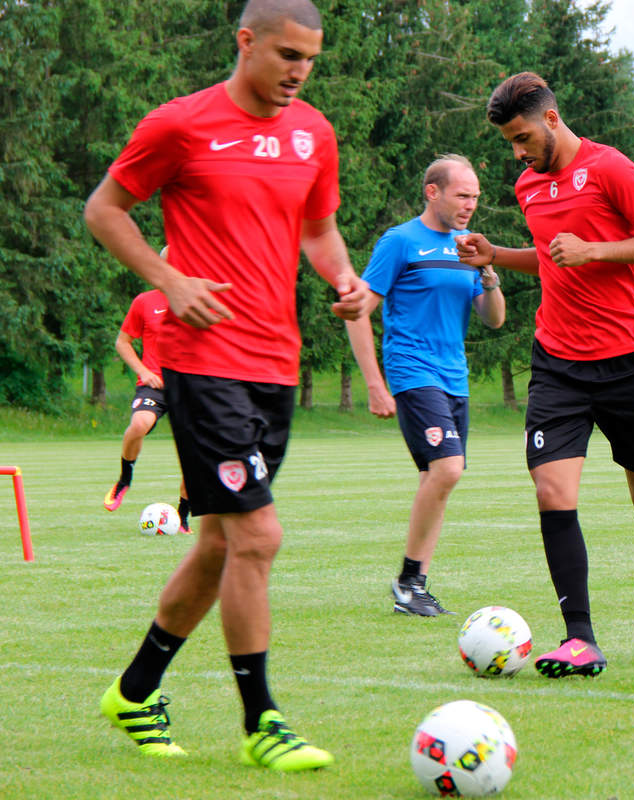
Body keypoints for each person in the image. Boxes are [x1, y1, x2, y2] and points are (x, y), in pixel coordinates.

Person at [83, 0, 368, 770]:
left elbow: (317, 229)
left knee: (215, 544)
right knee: (257, 535)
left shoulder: (315, 133)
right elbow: (105, 210)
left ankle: (135, 692)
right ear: (245, 42)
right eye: (285, 54)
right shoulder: (180, 124)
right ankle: (261, 721)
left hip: (276, 362)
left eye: (309, 58)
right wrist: (167, 279)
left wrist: (343, 278)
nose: (298, 71)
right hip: (203, 360)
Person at [456, 72, 634, 677]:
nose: (518, 151)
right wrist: (498, 257)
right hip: (558, 361)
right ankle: (579, 637)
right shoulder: (528, 185)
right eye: (510, 140)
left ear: (552, 119)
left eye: (523, 136)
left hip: (629, 361)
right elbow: (551, 260)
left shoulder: (611, 168)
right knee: (553, 491)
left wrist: (596, 250)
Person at [345, 155, 505, 616]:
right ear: (432, 192)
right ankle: (407, 582)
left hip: (456, 378)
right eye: (462, 195)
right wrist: (375, 383)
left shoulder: (466, 246)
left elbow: (493, 320)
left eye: (475, 196)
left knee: (437, 476)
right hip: (413, 370)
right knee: (448, 468)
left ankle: (413, 588)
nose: (470, 204)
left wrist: (489, 272)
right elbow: (358, 310)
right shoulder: (399, 242)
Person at [104, 248, 192, 534]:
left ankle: (183, 516)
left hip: (189, 387)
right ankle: (125, 478)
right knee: (139, 424)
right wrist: (143, 371)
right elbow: (122, 342)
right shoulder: (145, 302)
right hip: (153, 384)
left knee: (193, 455)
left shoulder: (197, 299)